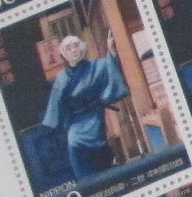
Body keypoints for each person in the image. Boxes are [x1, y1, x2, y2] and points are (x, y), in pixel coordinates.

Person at [39, 34, 142, 179]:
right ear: (64, 54)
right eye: (68, 48)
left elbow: (110, 67)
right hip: (76, 134)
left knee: (108, 175)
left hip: (96, 124)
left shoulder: (97, 66)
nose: (73, 50)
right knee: (86, 179)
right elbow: (56, 107)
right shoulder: (62, 76)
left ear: (82, 48)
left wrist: (111, 50)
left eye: (76, 46)